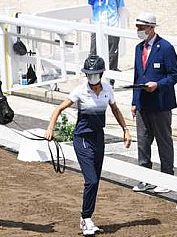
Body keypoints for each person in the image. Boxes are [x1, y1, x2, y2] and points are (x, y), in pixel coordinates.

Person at [45, 54, 131, 236]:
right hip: (82, 138)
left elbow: (115, 109)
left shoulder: (108, 89)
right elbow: (59, 109)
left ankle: (88, 217)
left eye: (95, 74)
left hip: (99, 137)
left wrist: (126, 130)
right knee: (91, 179)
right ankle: (85, 218)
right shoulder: (80, 91)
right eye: (89, 75)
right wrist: (50, 129)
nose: (92, 78)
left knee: (95, 181)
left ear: (101, 74)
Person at [131, 13, 177, 194]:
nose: (138, 31)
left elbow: (175, 75)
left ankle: (167, 177)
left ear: (151, 28)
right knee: (143, 142)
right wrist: (135, 101)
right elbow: (137, 75)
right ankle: (145, 178)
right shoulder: (138, 49)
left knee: (163, 141)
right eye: (137, 28)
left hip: (161, 103)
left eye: (141, 28)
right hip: (143, 103)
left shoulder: (166, 48)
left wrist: (158, 85)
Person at [88, 0, 126, 74]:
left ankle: (111, 79)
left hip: (112, 24)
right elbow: (90, 6)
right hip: (97, 23)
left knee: (112, 54)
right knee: (93, 51)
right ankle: (92, 74)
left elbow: (121, 9)